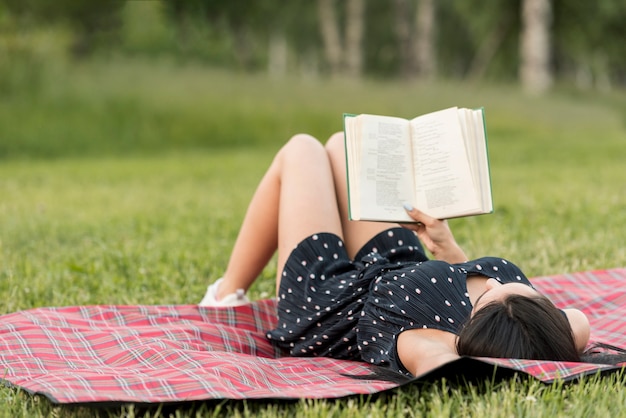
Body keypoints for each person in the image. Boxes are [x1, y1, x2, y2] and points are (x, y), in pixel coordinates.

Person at [198, 132, 591, 377]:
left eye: (487, 297)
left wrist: (495, 370)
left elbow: (444, 370)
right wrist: (448, 249)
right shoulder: (534, 326)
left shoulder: (428, 341)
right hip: (397, 261)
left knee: (301, 149)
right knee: (342, 145)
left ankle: (225, 295)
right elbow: (576, 322)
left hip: (328, 303)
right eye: (514, 288)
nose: (492, 280)